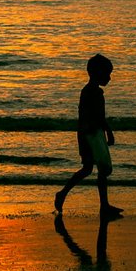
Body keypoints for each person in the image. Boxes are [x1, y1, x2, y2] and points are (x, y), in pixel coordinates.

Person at [53, 51, 123, 221]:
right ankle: (63, 194)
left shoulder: (90, 91)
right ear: (98, 74)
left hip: (90, 134)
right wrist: (108, 131)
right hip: (90, 135)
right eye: (107, 74)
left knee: (95, 169)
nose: (109, 78)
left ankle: (103, 205)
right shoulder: (93, 92)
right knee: (92, 169)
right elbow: (98, 117)